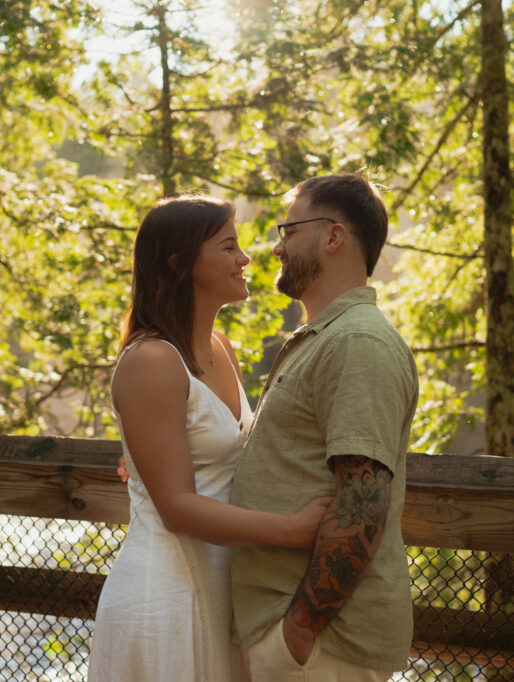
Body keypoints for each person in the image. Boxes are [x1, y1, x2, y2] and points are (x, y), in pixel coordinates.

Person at [87, 195, 332, 682]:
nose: (245, 259)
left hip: (229, 592)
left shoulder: (222, 348)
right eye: (228, 246)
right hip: (167, 598)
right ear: (180, 264)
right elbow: (176, 506)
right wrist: (293, 529)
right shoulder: (151, 361)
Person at [230, 173, 419, 681]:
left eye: (289, 232)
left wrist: (298, 632)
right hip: (298, 643)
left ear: (334, 236)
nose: (276, 248)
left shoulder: (359, 342)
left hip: (322, 648)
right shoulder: (325, 337)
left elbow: (363, 500)